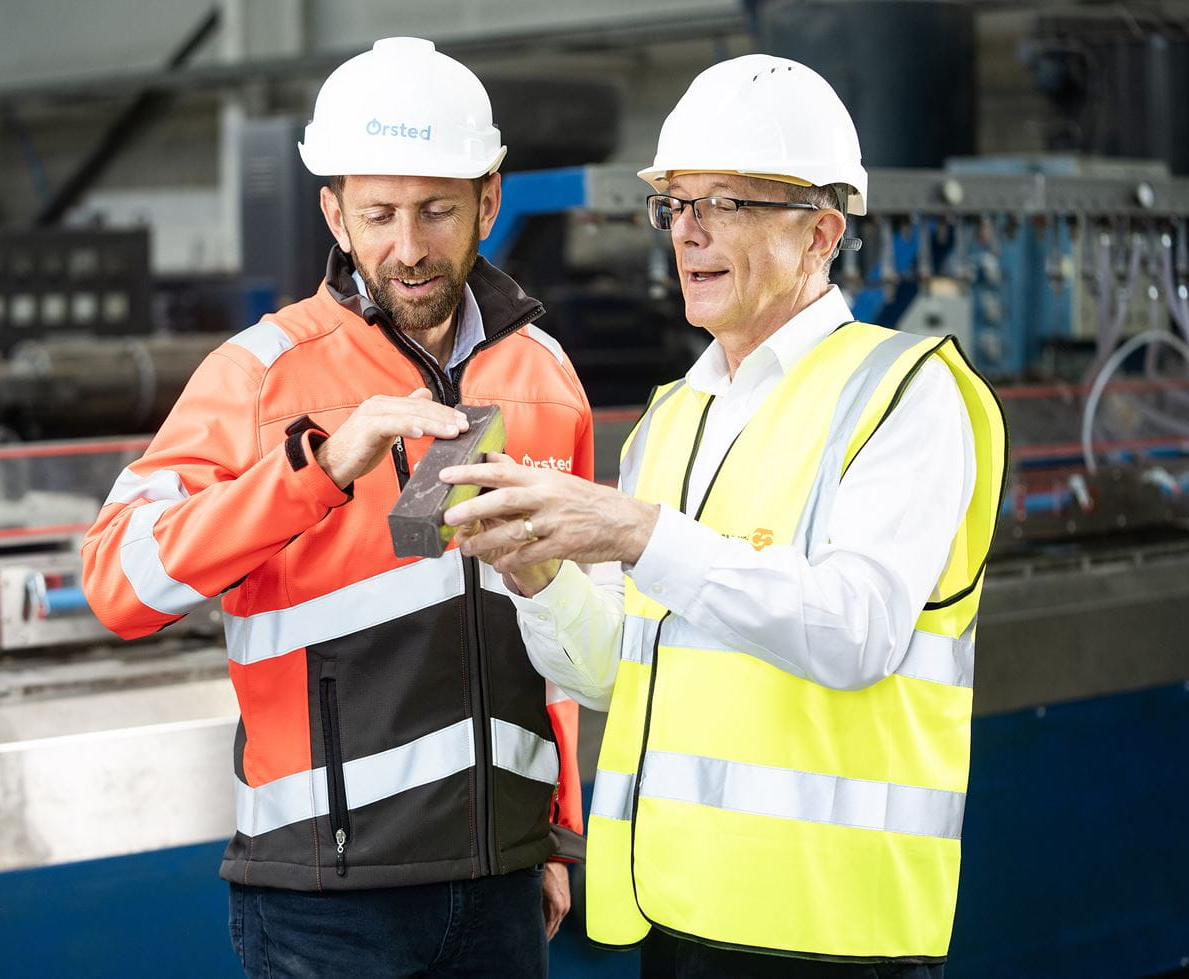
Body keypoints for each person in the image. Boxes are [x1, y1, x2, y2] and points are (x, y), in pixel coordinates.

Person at [439, 54, 1008, 978]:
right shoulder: (676, 415)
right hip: (679, 914)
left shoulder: (906, 393)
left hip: (831, 931)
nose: (689, 233)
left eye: (728, 204)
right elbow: (613, 672)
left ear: (822, 231)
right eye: (678, 205)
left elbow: (855, 633)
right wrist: (535, 570)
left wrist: (636, 532)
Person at [80, 36, 594, 979]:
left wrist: (555, 822)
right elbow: (118, 583)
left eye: (437, 210)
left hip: (502, 882)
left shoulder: (546, 377)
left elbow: (562, 625)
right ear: (334, 211)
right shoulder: (260, 373)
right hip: (326, 898)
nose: (408, 246)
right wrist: (313, 468)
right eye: (379, 213)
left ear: (490, 198)